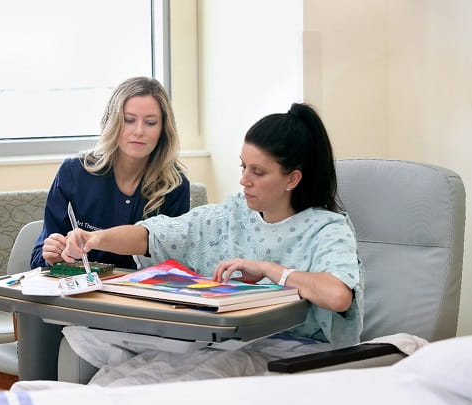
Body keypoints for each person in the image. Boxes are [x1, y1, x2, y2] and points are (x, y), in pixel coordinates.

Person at [60, 102, 364, 385]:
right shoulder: (232, 215)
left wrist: (268, 269)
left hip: (296, 353)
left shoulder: (327, 228)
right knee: (118, 376)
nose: (244, 180)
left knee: (170, 388)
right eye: (243, 166)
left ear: (292, 179)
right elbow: (155, 235)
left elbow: (338, 295)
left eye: (258, 172)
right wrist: (95, 238)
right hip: (228, 345)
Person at [30, 76, 190, 270]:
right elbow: (39, 257)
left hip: (141, 296)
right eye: (129, 120)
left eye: (150, 122)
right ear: (112, 122)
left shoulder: (175, 185)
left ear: (163, 129)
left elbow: (175, 262)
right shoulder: (73, 172)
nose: (139, 131)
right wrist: (53, 256)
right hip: (81, 292)